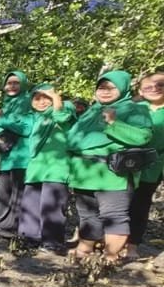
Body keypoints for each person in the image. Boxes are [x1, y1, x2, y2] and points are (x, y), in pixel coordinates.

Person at [66, 70, 153, 262]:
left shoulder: (135, 108)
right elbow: (72, 137)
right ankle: (85, 248)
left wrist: (114, 123)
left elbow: (143, 137)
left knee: (114, 215)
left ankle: (110, 256)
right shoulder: (91, 110)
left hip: (113, 174)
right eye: (101, 87)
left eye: (110, 88)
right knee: (87, 213)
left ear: (122, 88)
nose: (104, 91)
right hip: (84, 173)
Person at [18, 84, 76, 253]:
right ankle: (29, 238)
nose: (42, 102)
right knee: (31, 203)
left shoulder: (65, 109)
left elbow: (63, 117)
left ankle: (52, 242)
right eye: (37, 98)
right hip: (37, 167)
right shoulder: (38, 118)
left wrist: (57, 99)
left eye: (46, 98)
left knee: (52, 206)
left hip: (56, 167)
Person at [0, 71, 33, 239]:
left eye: (16, 83)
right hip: (7, 156)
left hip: (21, 156)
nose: (11, 86)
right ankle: (1, 221)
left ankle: (11, 227)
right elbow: (3, 127)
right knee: (4, 191)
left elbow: (26, 128)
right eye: (9, 83)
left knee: (16, 193)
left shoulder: (27, 101)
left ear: (23, 84)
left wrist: (2, 119)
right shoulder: (9, 103)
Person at [128, 72, 164, 257]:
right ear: (141, 90)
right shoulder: (133, 107)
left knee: (140, 204)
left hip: (153, 165)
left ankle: (132, 243)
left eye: (160, 85)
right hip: (125, 163)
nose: (155, 89)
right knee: (117, 202)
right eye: (149, 86)